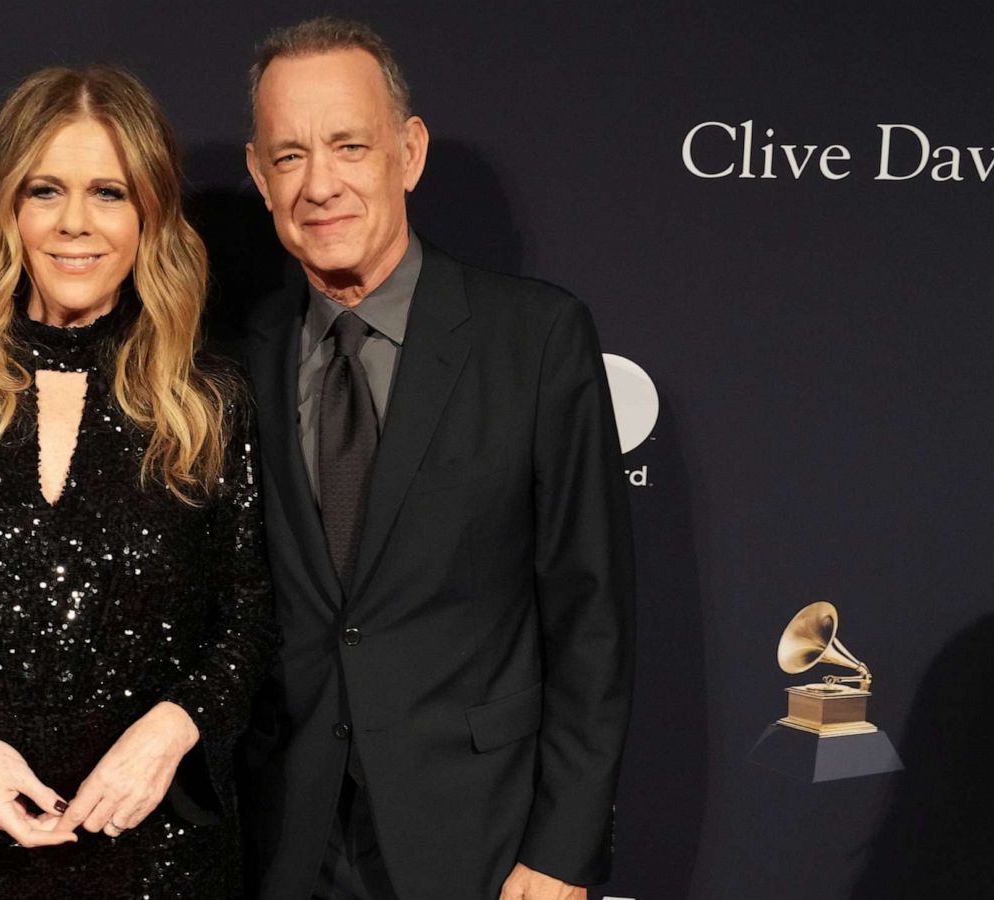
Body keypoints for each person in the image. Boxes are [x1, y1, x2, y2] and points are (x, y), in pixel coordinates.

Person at [0, 65, 276, 899]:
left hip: (160, 850)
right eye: (44, 191)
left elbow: (250, 619)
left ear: (149, 214)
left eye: (108, 193)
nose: (74, 224)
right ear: (5, 208)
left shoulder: (209, 397)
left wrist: (172, 731)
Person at [230, 17, 636, 900]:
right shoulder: (235, 357)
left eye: (350, 145)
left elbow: (590, 613)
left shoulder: (534, 337)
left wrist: (564, 851)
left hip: (484, 841)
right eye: (290, 156)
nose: (321, 184)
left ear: (408, 154)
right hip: (283, 846)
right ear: (261, 178)